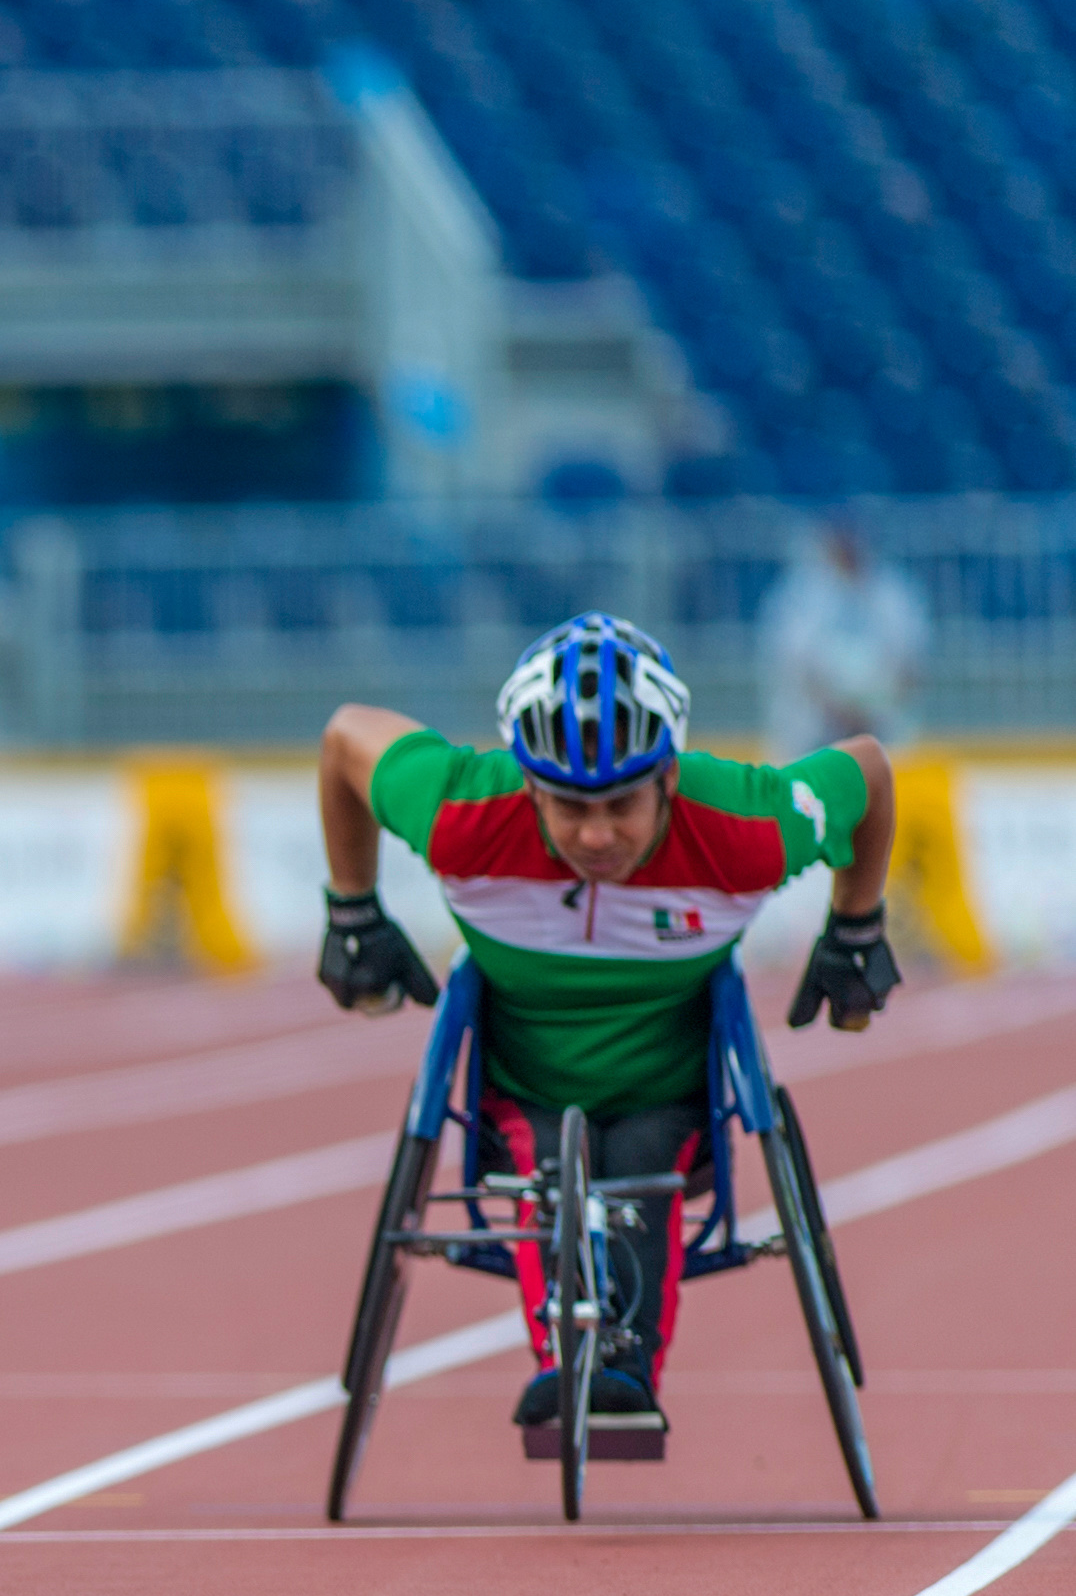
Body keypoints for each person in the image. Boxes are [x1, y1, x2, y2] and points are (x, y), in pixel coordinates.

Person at [315, 613, 898, 1433]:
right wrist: (352, 910)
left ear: (667, 777)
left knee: (635, 1162)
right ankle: (568, 1359)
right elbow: (344, 738)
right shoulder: (461, 812)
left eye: (621, 804)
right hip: (520, 1085)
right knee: (552, 1166)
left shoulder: (745, 828)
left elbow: (868, 769)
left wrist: (857, 927)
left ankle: (618, 1364)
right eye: (567, 806)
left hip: (671, 1086)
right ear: (526, 785)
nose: (595, 835)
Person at [760, 518, 927, 760]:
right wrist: (840, 714)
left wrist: (869, 715)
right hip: (813, 733)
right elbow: (796, 666)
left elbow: (910, 667)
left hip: (880, 725)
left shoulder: (894, 592)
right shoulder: (800, 594)